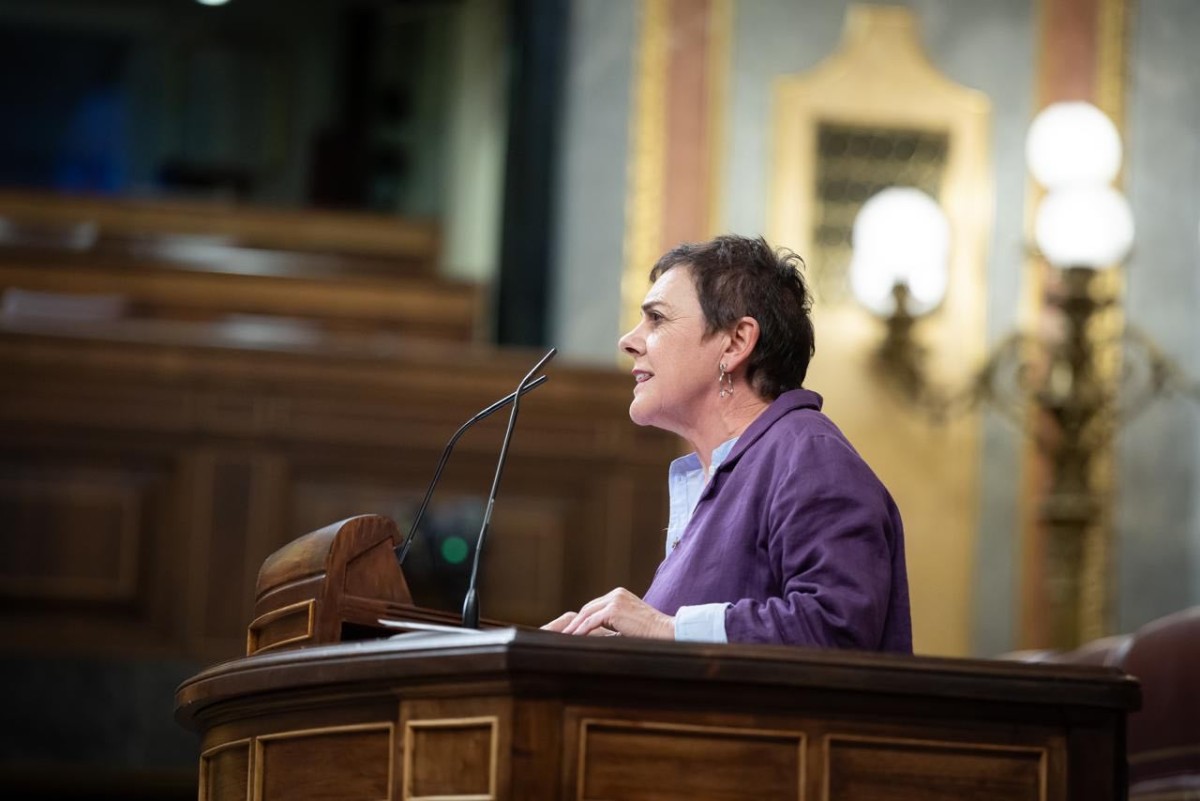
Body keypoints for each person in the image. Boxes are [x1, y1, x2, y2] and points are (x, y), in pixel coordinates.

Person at [543, 235, 912, 651]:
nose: (628, 340)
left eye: (657, 319)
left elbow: (836, 629)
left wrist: (664, 628)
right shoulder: (733, 471)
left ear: (735, 343)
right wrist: (610, 650)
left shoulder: (811, 456)